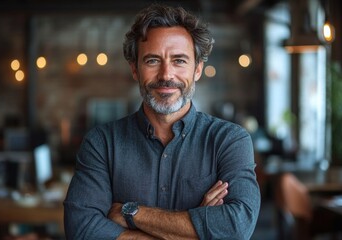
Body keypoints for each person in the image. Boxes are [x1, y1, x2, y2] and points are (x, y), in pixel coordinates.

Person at [64, 4, 260, 240]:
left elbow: (237, 227)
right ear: (135, 69)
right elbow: (81, 229)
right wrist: (200, 228)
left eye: (179, 61)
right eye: (153, 61)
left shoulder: (229, 140)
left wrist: (131, 213)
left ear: (197, 70)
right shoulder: (101, 143)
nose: (166, 75)